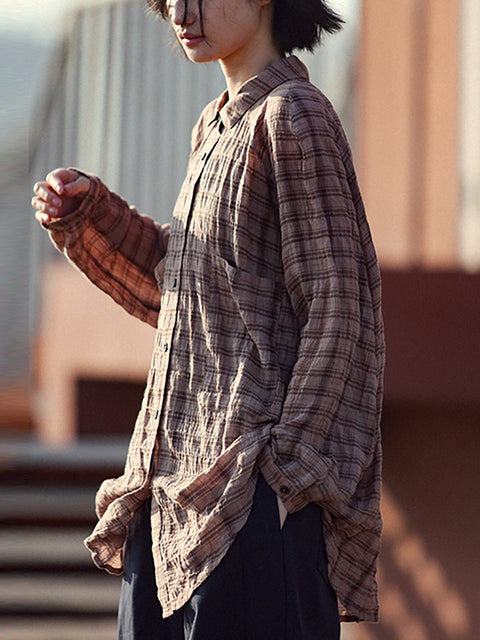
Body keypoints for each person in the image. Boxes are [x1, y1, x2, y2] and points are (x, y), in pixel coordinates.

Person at [32, 0, 385, 638]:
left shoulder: (295, 116)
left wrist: (287, 479)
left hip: (250, 502)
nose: (178, 12)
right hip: (168, 497)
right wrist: (92, 215)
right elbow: (190, 298)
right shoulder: (215, 126)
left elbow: (342, 310)